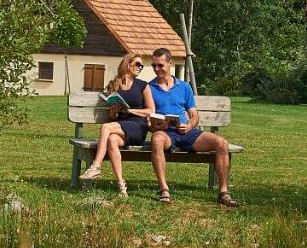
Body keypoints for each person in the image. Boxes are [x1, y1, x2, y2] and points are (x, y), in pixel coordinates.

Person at [147, 47, 238, 207]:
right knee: (156, 140)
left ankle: (223, 192)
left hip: (186, 132)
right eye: (154, 65)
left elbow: (194, 115)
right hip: (165, 133)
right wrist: (157, 126)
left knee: (222, 143)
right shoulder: (149, 88)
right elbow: (149, 121)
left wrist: (189, 126)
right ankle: (164, 190)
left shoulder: (184, 87)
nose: (156, 69)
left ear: (169, 63)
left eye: (160, 65)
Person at [78, 54, 156, 196]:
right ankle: (121, 186)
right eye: (137, 64)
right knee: (112, 140)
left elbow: (151, 110)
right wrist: (113, 111)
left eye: (141, 66)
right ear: (127, 64)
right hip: (121, 126)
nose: (140, 67)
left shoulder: (143, 85)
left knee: (105, 127)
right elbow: (112, 117)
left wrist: (131, 111)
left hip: (138, 126)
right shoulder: (113, 85)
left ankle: (96, 166)